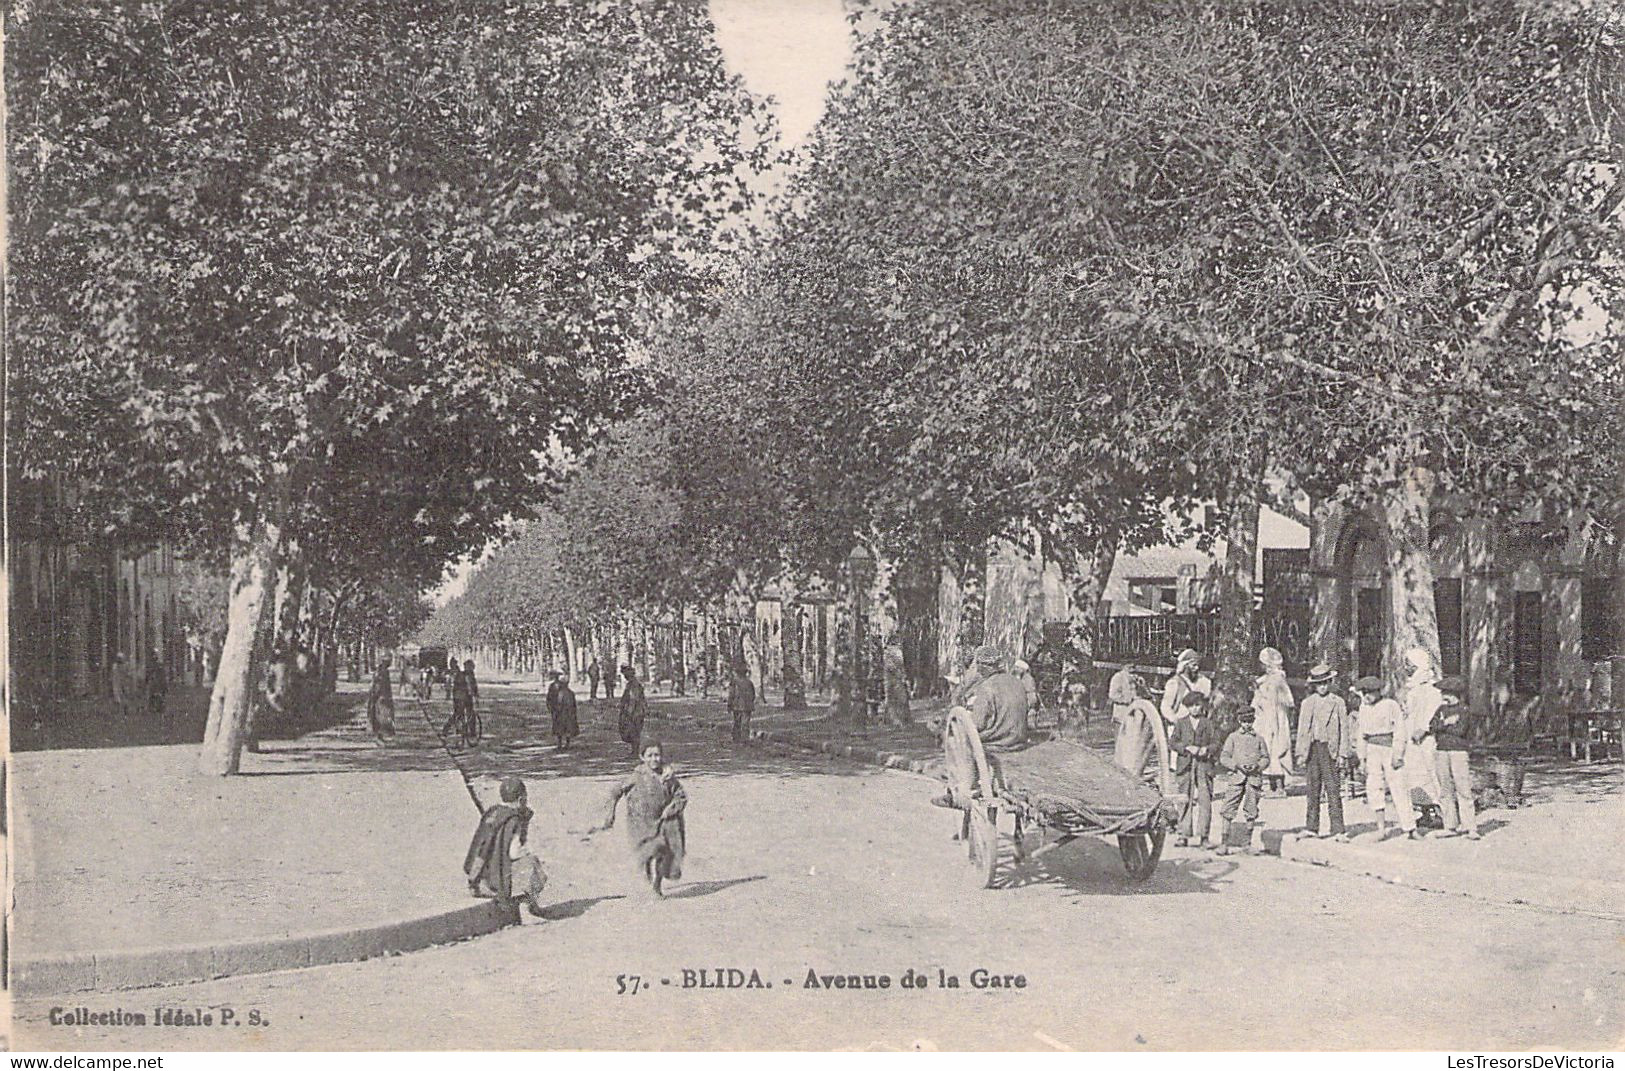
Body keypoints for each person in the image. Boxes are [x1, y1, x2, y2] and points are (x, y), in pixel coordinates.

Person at [588, 740, 687, 897]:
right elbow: (616, 792)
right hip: (641, 824)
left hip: (663, 822)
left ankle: (657, 885)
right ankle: (647, 871)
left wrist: (672, 807)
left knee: (663, 852)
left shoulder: (668, 777)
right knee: (648, 852)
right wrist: (610, 813)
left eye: (657, 755)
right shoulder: (635, 777)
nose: (654, 759)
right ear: (642, 757)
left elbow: (680, 795)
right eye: (650, 755)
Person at [464, 776, 547, 918]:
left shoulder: (493, 813)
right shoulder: (513, 820)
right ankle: (527, 906)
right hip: (496, 882)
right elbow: (514, 853)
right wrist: (527, 852)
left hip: (479, 876)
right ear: (521, 800)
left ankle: (479, 884)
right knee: (532, 864)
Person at [1353, 675, 1420, 841]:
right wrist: (1361, 759)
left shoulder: (1390, 705)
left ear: (1378, 691)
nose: (1367, 696)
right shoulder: (1363, 708)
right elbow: (1361, 734)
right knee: (1374, 788)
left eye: (1370, 692)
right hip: (1372, 750)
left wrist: (1398, 754)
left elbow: (1400, 731)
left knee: (1399, 787)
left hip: (1389, 749)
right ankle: (1381, 829)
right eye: (1364, 692)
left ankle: (1410, 828)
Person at [1295, 663, 1348, 841]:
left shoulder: (1338, 702)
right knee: (1312, 788)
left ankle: (1338, 829)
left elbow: (1344, 729)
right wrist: (1301, 753)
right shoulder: (1308, 703)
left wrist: (1342, 753)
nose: (1323, 687)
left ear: (1330, 682)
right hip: (1313, 749)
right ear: (1314, 686)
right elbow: (1303, 729)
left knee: (1333, 789)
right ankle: (1311, 827)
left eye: (1325, 683)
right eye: (1319, 684)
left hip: (1330, 749)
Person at [1431, 675, 1481, 840]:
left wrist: (1444, 726)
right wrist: (1446, 723)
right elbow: (1432, 726)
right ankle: (1450, 825)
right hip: (1441, 750)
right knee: (1445, 788)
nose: (1443, 696)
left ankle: (1470, 827)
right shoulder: (1440, 710)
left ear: (1454, 694)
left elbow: (1461, 731)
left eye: (1445, 692)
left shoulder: (1464, 710)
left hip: (1458, 752)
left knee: (1463, 788)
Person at [1170, 691, 1219, 849]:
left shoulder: (1208, 723)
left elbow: (1217, 742)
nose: (1195, 709)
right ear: (1187, 707)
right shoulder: (1181, 723)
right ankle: (1183, 834)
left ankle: (1204, 836)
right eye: (1191, 706)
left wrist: (1207, 749)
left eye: (1198, 705)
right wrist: (1185, 748)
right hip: (1185, 765)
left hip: (1204, 766)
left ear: (1202, 706)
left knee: (1205, 799)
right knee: (1185, 798)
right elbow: (1173, 742)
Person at [1217, 707, 1268, 856]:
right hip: (1236, 778)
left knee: (1251, 810)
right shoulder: (1232, 737)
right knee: (1228, 808)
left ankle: (1247, 843)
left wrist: (1257, 766)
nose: (1247, 724)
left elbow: (1266, 757)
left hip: (1253, 778)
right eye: (1244, 721)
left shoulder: (1259, 739)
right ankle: (1224, 843)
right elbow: (1224, 757)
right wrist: (1235, 765)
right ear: (1239, 721)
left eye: (1250, 721)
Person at [1402, 646, 1446, 811]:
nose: (1407, 668)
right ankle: (1424, 810)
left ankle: (1441, 810)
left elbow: (1435, 711)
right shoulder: (1413, 688)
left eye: (1410, 665)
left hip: (1426, 738)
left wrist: (1424, 728)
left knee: (1430, 771)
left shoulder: (1431, 688)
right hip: (1411, 739)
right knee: (1414, 774)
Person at [964, 645, 1029, 751]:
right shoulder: (1017, 682)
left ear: (981, 666)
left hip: (996, 742)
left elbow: (978, 724)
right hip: (1019, 740)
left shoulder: (986, 687)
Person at [1252, 647, 1295, 797]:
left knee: (1277, 749)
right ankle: (1271, 786)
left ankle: (1279, 787)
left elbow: (1287, 701)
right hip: (1265, 720)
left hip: (1276, 720)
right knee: (1267, 750)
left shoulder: (1278, 679)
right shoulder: (1264, 680)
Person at [1112, 673, 1162, 781]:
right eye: (1130, 666)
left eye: (1134, 666)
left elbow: (1148, 696)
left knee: (1137, 744)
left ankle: (1133, 770)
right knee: (1121, 744)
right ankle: (1119, 770)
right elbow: (1112, 695)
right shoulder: (1118, 678)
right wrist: (1128, 700)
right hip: (1122, 714)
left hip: (1137, 716)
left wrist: (1143, 687)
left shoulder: (1138, 679)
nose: (1133, 669)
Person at [1159, 649, 1211, 729]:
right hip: (1179, 728)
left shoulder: (1204, 682)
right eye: (1193, 665)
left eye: (1198, 665)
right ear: (1185, 666)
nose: (1196, 668)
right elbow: (1165, 707)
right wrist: (1176, 721)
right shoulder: (1175, 682)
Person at [618, 665, 648, 755]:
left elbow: (633, 699)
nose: (624, 676)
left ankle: (635, 752)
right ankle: (634, 751)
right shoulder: (632, 684)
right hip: (635, 711)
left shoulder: (633, 685)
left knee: (634, 732)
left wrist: (629, 713)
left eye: (625, 674)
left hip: (635, 712)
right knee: (632, 731)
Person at [548, 671, 579, 750]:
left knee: (561, 728)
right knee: (566, 728)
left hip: (561, 713)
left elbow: (556, 702)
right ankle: (565, 744)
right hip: (566, 713)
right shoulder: (570, 693)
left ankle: (561, 744)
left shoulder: (562, 693)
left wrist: (553, 709)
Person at [368, 654, 396, 742]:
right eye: (388, 661)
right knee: (381, 717)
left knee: (383, 717)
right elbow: (378, 685)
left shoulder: (383, 671)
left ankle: (381, 736)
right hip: (381, 698)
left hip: (384, 697)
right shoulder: (382, 672)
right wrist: (377, 695)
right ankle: (379, 736)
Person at [727, 662, 756, 744]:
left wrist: (729, 705)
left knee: (737, 722)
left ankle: (736, 738)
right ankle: (745, 739)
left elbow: (731, 694)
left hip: (737, 705)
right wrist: (751, 702)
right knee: (745, 723)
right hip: (747, 706)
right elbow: (753, 695)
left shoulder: (734, 682)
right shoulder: (749, 682)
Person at [145, 649, 169, 729]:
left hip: (155, 686)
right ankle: (157, 719)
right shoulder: (158, 666)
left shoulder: (152, 666)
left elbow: (148, 677)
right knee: (156, 701)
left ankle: (156, 719)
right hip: (156, 686)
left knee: (155, 701)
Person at [111, 653, 133, 718]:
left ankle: (125, 712)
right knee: (118, 698)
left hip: (124, 683)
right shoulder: (115, 666)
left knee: (125, 698)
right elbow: (114, 675)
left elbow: (129, 674)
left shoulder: (125, 665)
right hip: (117, 683)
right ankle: (118, 712)